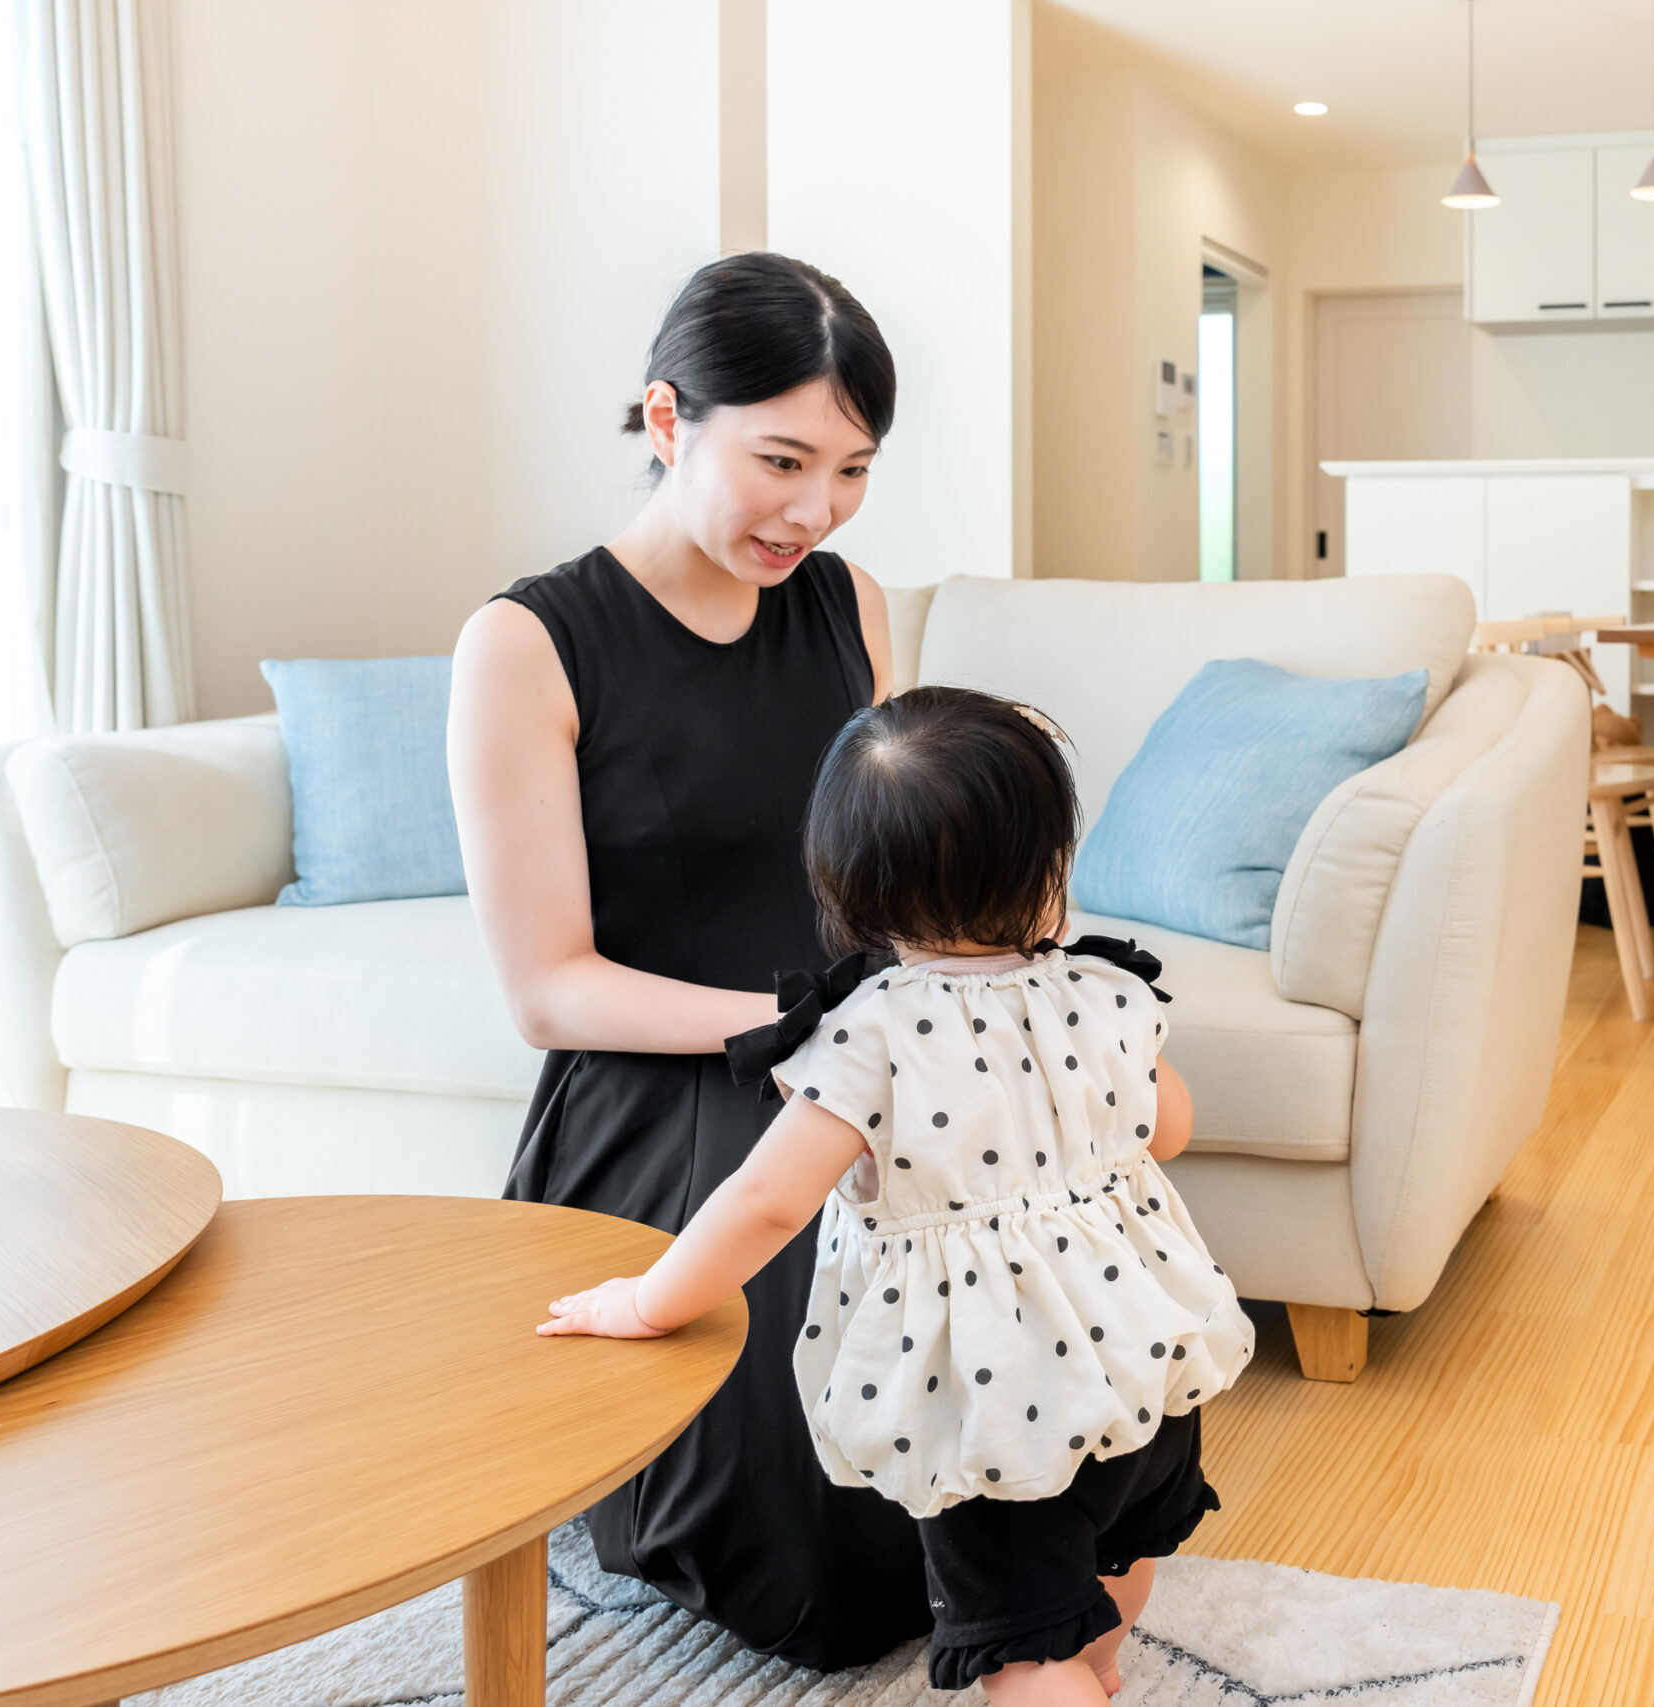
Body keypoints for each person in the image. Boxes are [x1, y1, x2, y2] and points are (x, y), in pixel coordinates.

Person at [538, 686, 1256, 1703]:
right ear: (1050, 871)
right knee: (1115, 1550)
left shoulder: (868, 1036)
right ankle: (1099, 1672)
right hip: (1139, 1358)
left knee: (1020, 1644)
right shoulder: (1105, 992)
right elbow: (1169, 1130)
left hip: (998, 1400)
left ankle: (1061, 1682)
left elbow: (765, 1204)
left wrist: (648, 1299)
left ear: (847, 888)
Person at [445, 253, 931, 1663]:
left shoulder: (853, 606)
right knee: (826, 1565)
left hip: (854, 1053)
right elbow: (550, 986)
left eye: (852, 469)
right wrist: (805, 1024)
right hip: (669, 1082)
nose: (816, 508)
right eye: (781, 458)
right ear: (668, 418)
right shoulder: (530, 641)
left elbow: (889, 876)